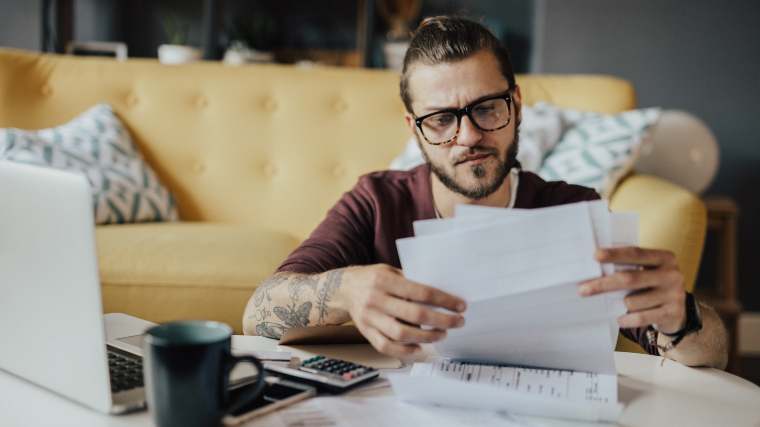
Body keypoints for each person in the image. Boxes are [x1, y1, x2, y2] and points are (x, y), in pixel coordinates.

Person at [242, 16, 728, 369]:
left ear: (516, 105)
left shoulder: (571, 210)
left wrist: (679, 315)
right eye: (441, 119)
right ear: (415, 129)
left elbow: (709, 355)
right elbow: (259, 314)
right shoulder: (376, 201)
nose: (469, 136)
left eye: (487, 108)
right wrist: (346, 290)